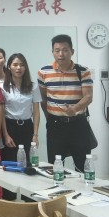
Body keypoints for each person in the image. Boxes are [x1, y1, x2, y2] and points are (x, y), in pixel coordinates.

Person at [38, 34, 93, 172]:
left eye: (65, 50)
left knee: (83, 164)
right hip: (55, 125)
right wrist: (49, 118)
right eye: (57, 50)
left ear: (72, 51)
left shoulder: (83, 71)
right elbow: (43, 99)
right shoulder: (44, 72)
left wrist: (75, 108)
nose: (61, 54)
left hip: (78, 123)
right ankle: (58, 186)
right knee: (55, 165)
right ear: (52, 52)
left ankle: (84, 185)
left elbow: (88, 96)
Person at [2, 53, 41, 162]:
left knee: (27, 160)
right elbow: (1, 113)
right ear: (9, 67)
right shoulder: (3, 87)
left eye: (22, 65)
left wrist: (35, 135)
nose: (18, 68)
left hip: (27, 126)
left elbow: (36, 112)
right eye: (15, 65)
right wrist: (5, 135)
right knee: (10, 160)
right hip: (9, 126)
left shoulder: (33, 86)